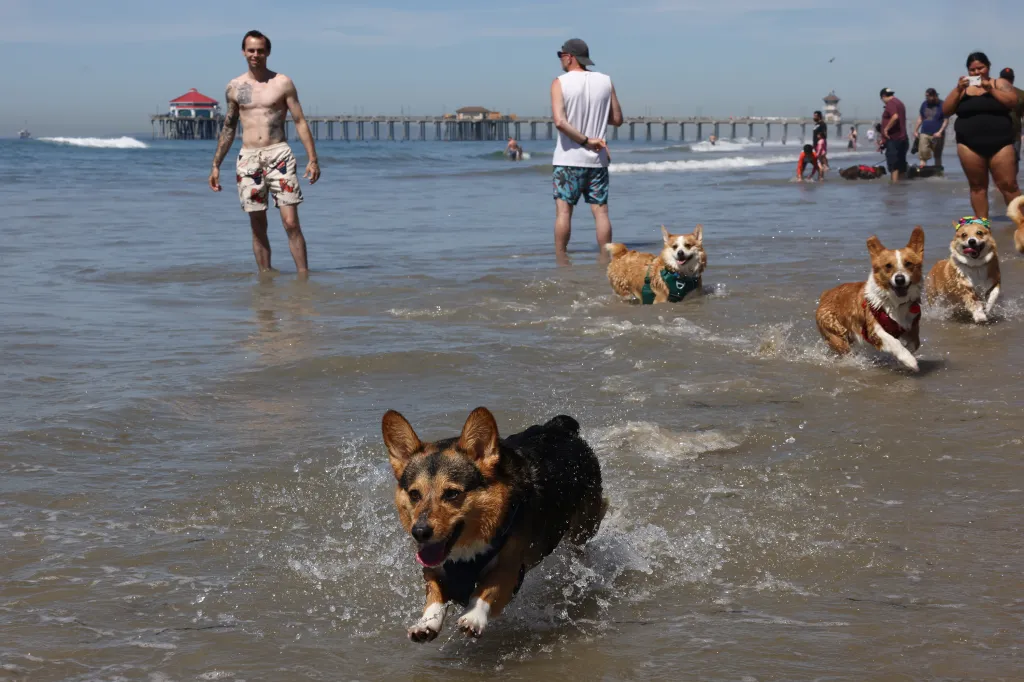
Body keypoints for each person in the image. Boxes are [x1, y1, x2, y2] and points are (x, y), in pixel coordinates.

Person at [209, 30, 320, 274]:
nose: (255, 55)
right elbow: (229, 126)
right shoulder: (235, 87)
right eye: (251, 50)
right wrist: (216, 164)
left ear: (267, 52)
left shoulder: (282, 83)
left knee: (290, 222)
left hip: (278, 155)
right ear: (243, 52)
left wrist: (312, 158)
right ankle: (266, 282)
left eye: (260, 50)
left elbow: (300, 120)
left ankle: (304, 279)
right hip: (248, 158)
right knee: (257, 224)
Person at [550, 38, 623, 264]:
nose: (561, 59)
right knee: (601, 213)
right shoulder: (606, 81)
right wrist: (595, 131)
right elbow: (617, 119)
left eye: (561, 55)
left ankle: (561, 259)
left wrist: (585, 140)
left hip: (567, 159)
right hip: (597, 161)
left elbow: (560, 122)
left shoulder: (559, 82)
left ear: (570, 56)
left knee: (564, 213)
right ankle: (605, 259)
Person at [942, 52, 1020, 219]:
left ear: (988, 67)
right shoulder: (962, 90)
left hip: (1001, 143)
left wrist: (990, 89)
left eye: (980, 68)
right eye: (972, 70)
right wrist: (958, 89)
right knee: (977, 187)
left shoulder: (999, 83)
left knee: (1009, 185)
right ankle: (983, 226)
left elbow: (1012, 101)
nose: (977, 73)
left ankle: (1022, 224)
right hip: (969, 145)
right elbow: (946, 110)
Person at [879, 88, 909, 182]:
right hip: (902, 138)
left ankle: (894, 187)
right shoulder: (899, 103)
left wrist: (886, 129)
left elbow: (895, 116)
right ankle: (901, 187)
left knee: (894, 165)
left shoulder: (891, 104)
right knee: (901, 164)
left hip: (894, 139)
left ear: (883, 96)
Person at [913, 88, 948, 169]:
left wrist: (940, 132)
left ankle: (938, 171)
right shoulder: (924, 104)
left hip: (937, 135)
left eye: (928, 96)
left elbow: (946, 120)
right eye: (926, 96)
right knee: (923, 153)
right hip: (924, 132)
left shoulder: (942, 104)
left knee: (937, 155)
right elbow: (920, 118)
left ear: (934, 95)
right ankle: (922, 170)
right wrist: (915, 130)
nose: (926, 98)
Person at [998, 67, 1024, 169]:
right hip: (997, 134)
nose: (1007, 81)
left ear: (1013, 79)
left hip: (1015, 135)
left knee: (1014, 161)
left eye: (1009, 79)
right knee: (998, 162)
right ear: (1000, 79)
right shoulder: (994, 93)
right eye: (1005, 79)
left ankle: (1011, 183)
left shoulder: (1021, 94)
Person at [812, 110, 828, 178]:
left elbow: (825, 135)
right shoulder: (816, 124)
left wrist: (820, 143)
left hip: (820, 145)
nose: (814, 117)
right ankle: (820, 176)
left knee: (820, 161)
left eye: (815, 116)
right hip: (815, 145)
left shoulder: (822, 124)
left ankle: (821, 177)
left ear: (819, 116)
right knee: (818, 162)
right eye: (814, 115)